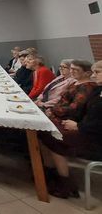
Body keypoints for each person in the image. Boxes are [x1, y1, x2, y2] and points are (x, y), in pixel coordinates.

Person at [38, 61, 102, 198]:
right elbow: (86, 113)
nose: (93, 76)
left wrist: (78, 126)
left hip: (93, 138)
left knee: (53, 137)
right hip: (84, 128)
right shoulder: (98, 90)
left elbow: (88, 116)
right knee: (44, 132)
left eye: (97, 72)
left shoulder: (89, 88)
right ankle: (52, 174)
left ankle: (65, 183)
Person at [45, 60, 96, 125]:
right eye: (71, 69)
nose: (71, 71)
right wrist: (51, 110)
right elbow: (62, 100)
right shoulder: (75, 82)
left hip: (67, 120)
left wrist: (52, 111)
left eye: (75, 70)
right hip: (57, 114)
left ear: (87, 73)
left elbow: (74, 108)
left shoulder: (87, 86)